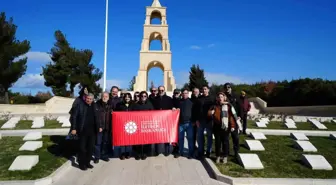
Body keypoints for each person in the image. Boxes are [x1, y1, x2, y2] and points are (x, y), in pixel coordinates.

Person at [209, 92, 242, 163]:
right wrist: (210, 112)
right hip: (217, 127)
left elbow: (232, 117)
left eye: (221, 97)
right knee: (217, 143)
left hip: (226, 127)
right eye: (219, 97)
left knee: (225, 142)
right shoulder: (215, 106)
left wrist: (233, 126)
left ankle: (225, 156)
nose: (220, 98)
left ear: (224, 98)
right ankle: (218, 156)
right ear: (217, 98)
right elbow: (208, 113)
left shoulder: (228, 106)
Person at [71, 93, 102, 171]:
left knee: (90, 148)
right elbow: (74, 117)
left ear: (93, 99)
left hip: (93, 131)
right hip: (82, 131)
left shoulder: (95, 106)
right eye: (88, 98)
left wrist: (100, 126)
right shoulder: (80, 105)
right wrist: (74, 128)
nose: (89, 100)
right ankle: (82, 163)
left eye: (90, 99)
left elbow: (98, 117)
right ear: (85, 98)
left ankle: (87, 163)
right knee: (82, 148)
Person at [152, 86, 174, 156]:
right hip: (157, 121)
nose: (161, 91)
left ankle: (167, 151)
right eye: (160, 90)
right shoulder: (154, 99)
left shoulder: (169, 99)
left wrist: (174, 108)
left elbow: (172, 107)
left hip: (166, 121)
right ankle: (156, 151)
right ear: (158, 91)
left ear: (164, 90)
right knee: (156, 136)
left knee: (166, 136)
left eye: (162, 90)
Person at [132, 91, 154, 160]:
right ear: (140, 97)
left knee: (146, 140)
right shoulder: (136, 105)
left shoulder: (150, 104)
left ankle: (145, 153)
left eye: (145, 96)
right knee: (137, 140)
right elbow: (131, 114)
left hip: (146, 125)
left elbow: (153, 114)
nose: (143, 97)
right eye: (142, 96)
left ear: (147, 97)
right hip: (138, 125)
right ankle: (138, 153)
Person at [194, 85, 215, 158]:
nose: (204, 90)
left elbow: (216, 107)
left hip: (209, 120)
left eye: (205, 89)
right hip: (200, 120)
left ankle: (208, 151)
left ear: (208, 90)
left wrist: (213, 110)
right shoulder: (199, 99)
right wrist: (196, 120)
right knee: (200, 137)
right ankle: (200, 151)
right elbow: (195, 110)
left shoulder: (212, 99)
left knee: (209, 136)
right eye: (203, 89)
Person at [174, 89, 195, 159]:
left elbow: (194, 111)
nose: (184, 94)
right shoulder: (179, 102)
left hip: (189, 123)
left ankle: (190, 153)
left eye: (186, 93)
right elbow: (176, 109)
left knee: (190, 139)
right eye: (183, 93)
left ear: (188, 94)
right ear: (181, 94)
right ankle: (181, 152)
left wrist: (193, 121)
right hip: (181, 123)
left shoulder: (191, 101)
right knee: (180, 139)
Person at [93, 92, 112, 164]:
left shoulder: (110, 106)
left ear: (108, 97)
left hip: (107, 127)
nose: (105, 97)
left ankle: (104, 155)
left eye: (106, 96)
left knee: (105, 142)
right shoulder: (96, 105)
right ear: (101, 97)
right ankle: (97, 157)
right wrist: (99, 126)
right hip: (99, 127)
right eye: (103, 96)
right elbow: (95, 117)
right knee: (98, 143)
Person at [115, 93, 134, 160]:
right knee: (122, 139)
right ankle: (122, 153)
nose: (127, 98)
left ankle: (128, 153)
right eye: (126, 97)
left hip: (130, 125)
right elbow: (116, 113)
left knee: (129, 139)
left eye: (128, 97)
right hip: (122, 124)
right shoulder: (119, 104)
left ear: (130, 98)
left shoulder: (133, 104)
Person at [191, 87, 200, 152]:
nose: (196, 92)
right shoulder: (191, 100)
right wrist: (194, 120)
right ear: (193, 92)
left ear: (199, 92)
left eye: (197, 91)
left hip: (200, 120)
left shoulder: (201, 99)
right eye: (195, 91)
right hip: (193, 120)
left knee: (200, 135)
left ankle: (200, 148)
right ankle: (193, 146)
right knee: (193, 135)